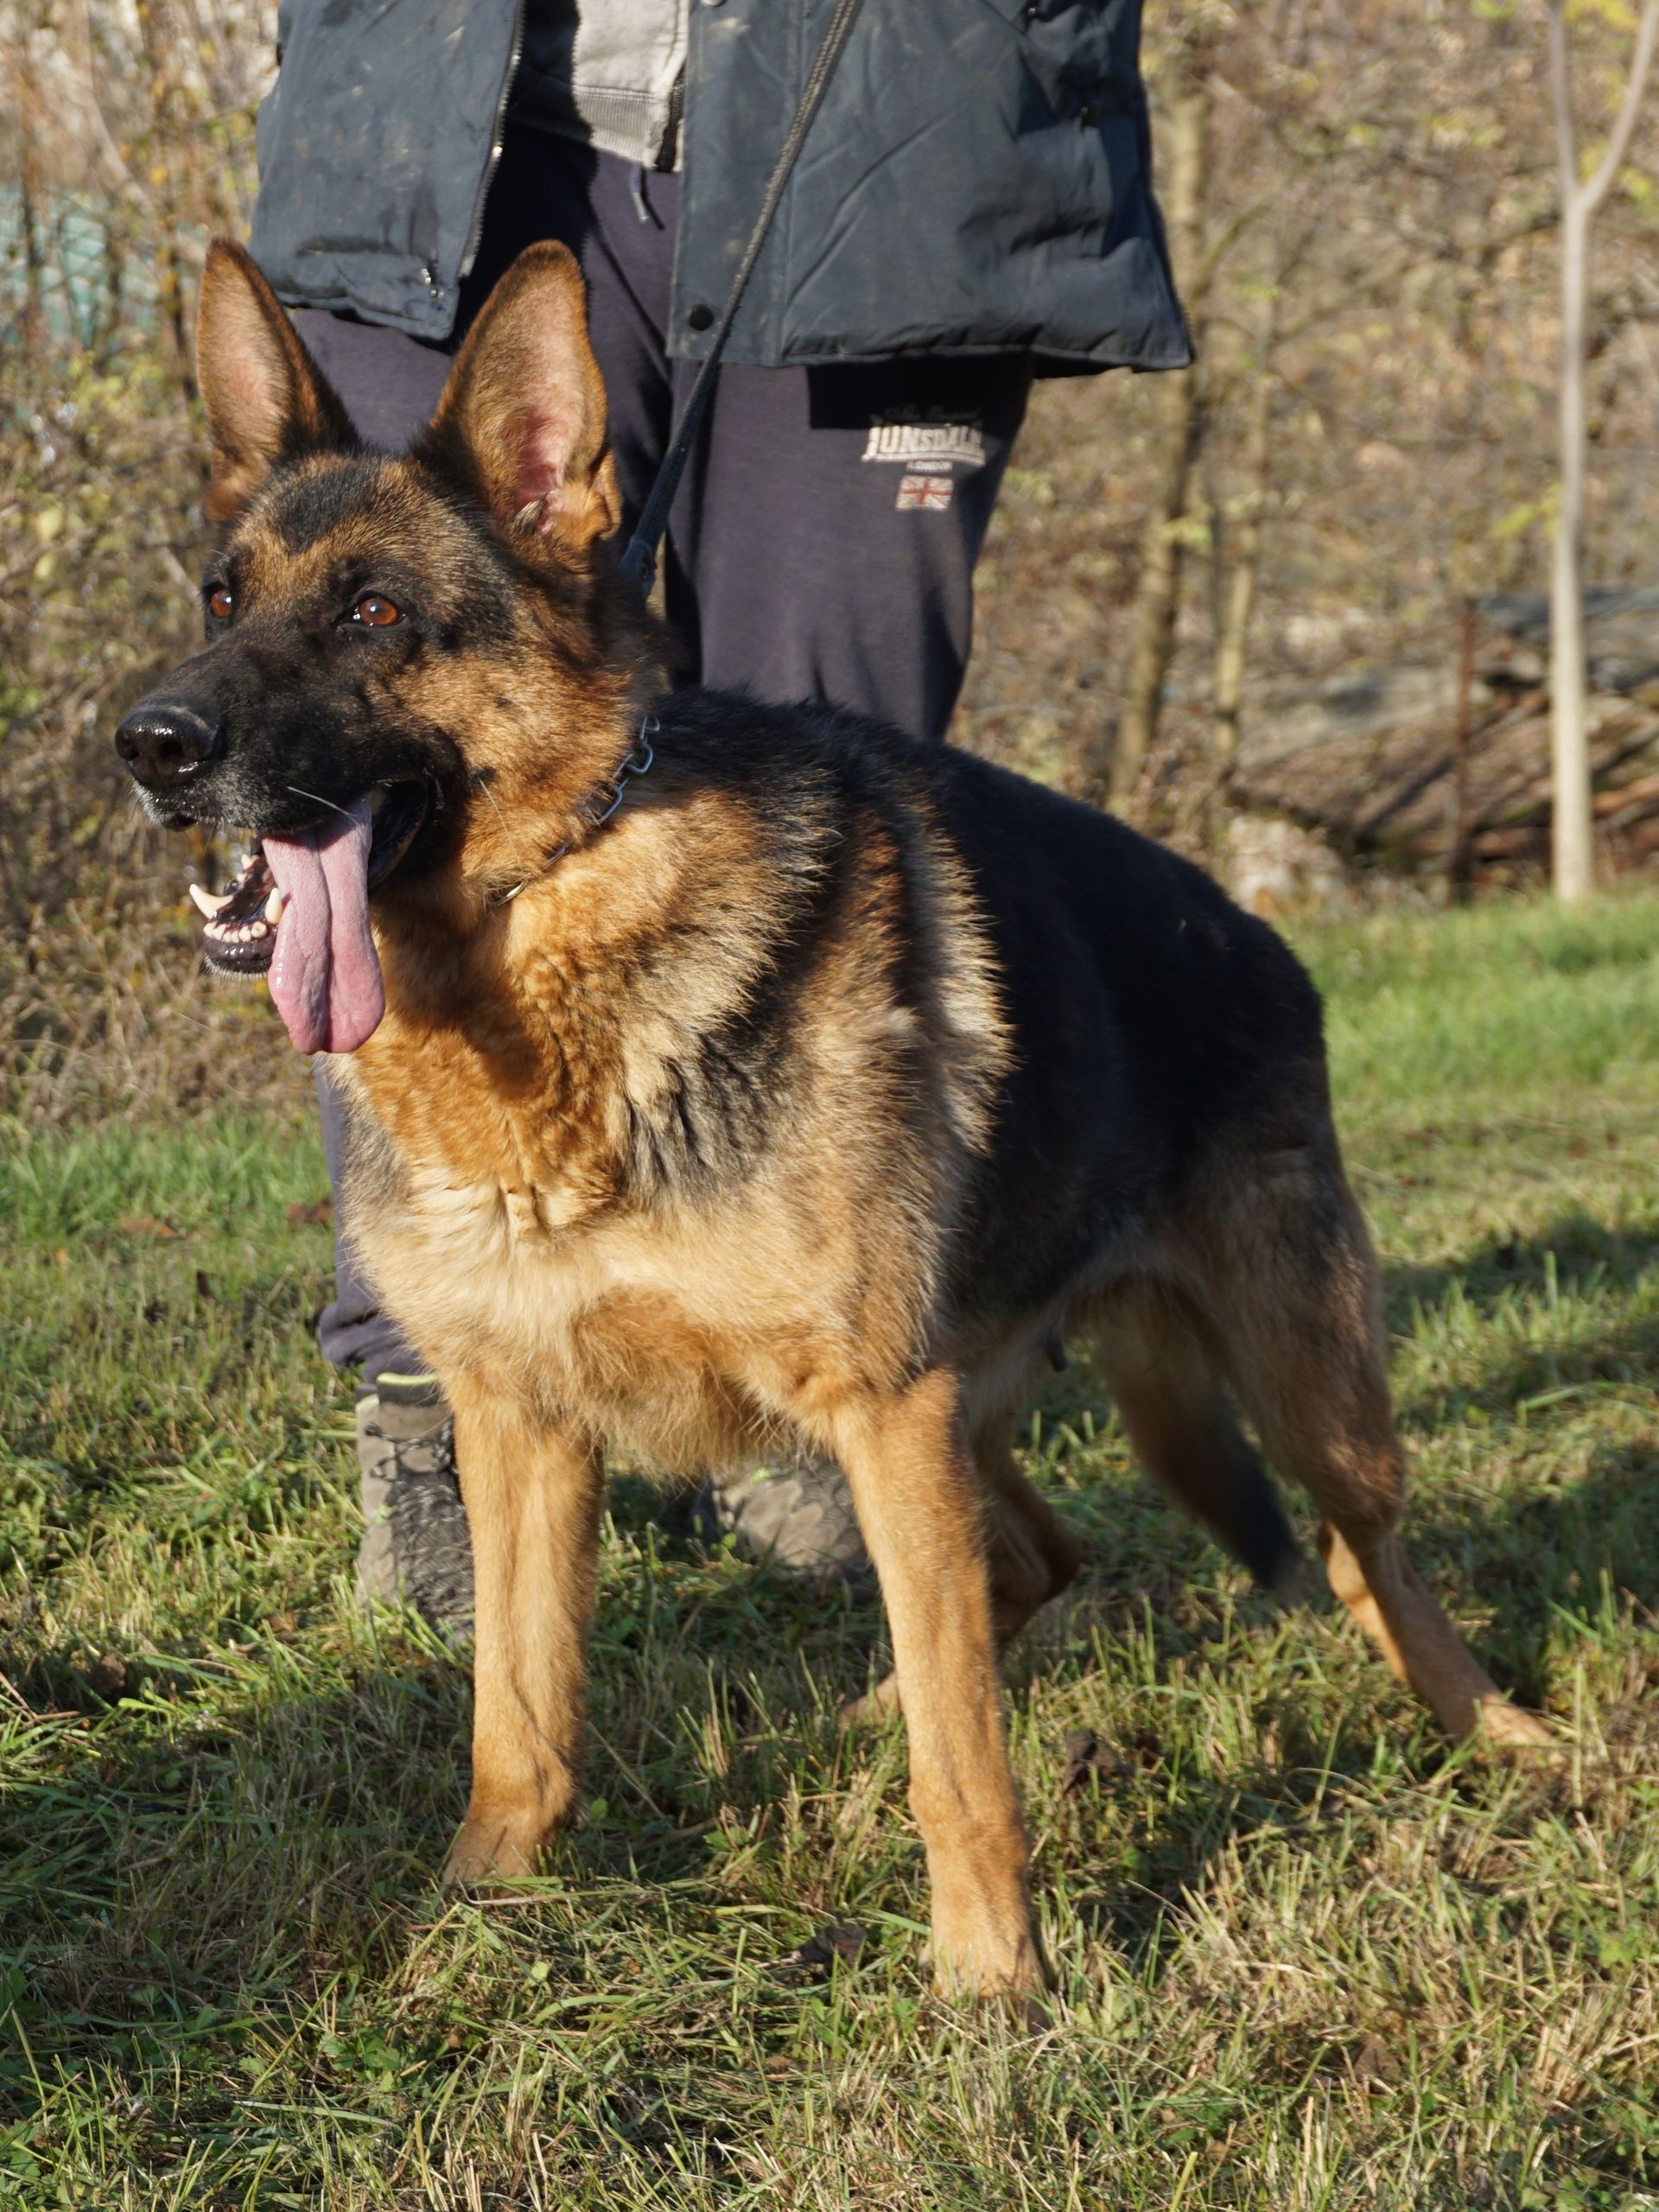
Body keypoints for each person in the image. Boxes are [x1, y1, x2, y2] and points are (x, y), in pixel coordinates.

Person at [245, 0, 1190, 1624]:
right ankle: (433, 1389)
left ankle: (796, 1368)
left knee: (842, 796)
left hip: (894, 122)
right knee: (380, 789)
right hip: (458, 125)